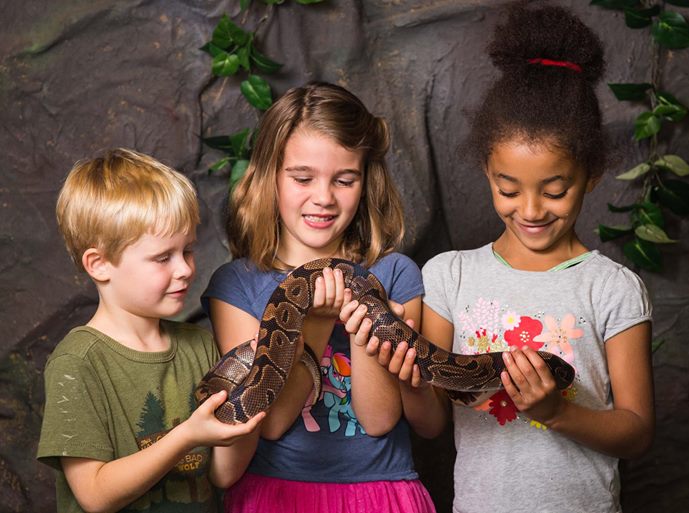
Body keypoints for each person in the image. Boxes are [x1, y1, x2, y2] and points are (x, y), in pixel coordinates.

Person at [342, 3, 655, 512]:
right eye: (508, 188)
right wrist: (410, 379)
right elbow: (433, 422)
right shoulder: (450, 276)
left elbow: (637, 433)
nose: (530, 210)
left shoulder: (613, 288)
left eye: (554, 190)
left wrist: (557, 412)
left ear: (590, 176)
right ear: (487, 172)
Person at [201, 81, 435, 513]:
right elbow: (268, 424)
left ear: (366, 181)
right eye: (302, 177)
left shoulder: (394, 273)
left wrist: (365, 314)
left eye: (344, 180)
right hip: (277, 496)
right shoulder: (237, 284)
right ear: (270, 175)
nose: (323, 197)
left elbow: (380, 420)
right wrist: (317, 321)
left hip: (379, 495)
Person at [37, 148, 265, 513]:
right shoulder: (77, 363)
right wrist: (187, 435)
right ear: (100, 264)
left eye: (188, 250)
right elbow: (95, 495)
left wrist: (257, 390)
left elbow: (223, 475)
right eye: (163, 257)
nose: (186, 269)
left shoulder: (198, 346)